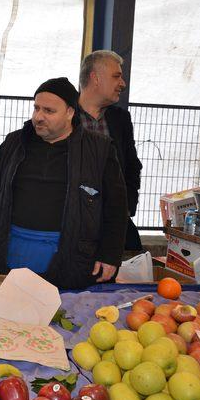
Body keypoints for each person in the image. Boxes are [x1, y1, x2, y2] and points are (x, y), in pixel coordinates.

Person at [0, 77, 128, 289]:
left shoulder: (98, 149)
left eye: (49, 111)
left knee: (62, 316)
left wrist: (110, 254)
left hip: (70, 254)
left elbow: (116, 207)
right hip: (12, 248)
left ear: (70, 113)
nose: (38, 117)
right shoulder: (14, 143)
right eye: (36, 108)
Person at [78, 50, 143, 251]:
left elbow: (132, 167)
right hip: (73, 223)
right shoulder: (65, 117)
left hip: (112, 223)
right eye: (116, 76)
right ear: (95, 78)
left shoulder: (120, 119)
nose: (122, 83)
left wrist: (126, 207)